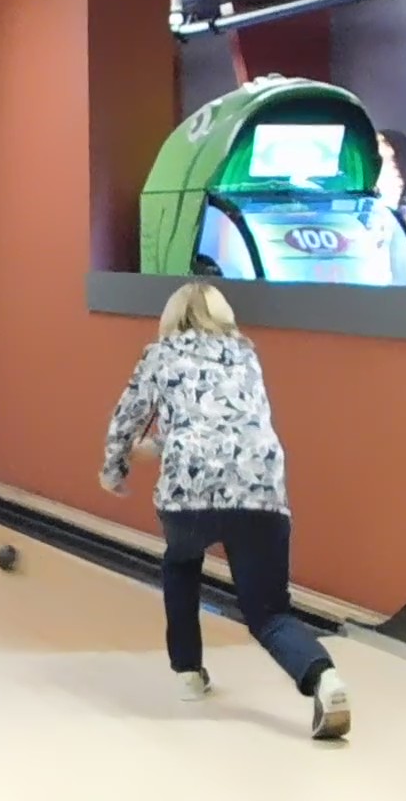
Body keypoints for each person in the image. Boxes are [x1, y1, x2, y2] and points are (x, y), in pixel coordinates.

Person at [98, 281, 351, 740]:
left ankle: (189, 673)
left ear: (173, 317)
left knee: (181, 564)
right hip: (260, 490)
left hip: (189, 495)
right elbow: (221, 426)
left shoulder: (161, 353)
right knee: (269, 612)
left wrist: (114, 470)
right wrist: (161, 445)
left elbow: (127, 421)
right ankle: (323, 678)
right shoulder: (245, 355)